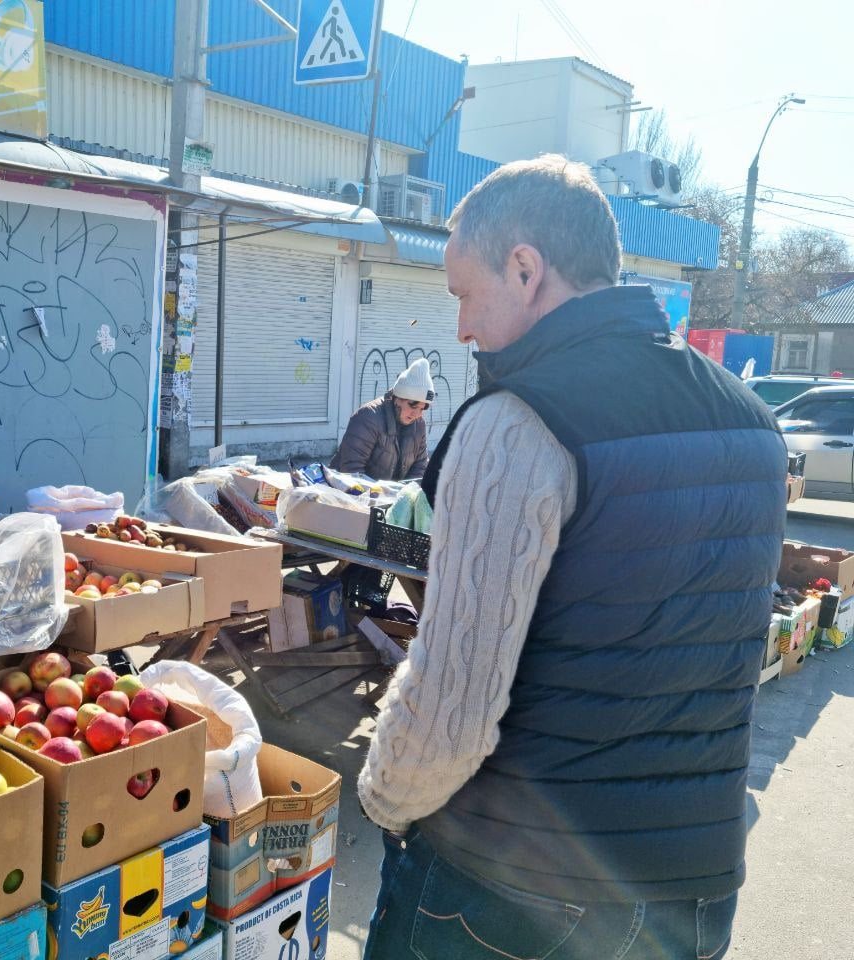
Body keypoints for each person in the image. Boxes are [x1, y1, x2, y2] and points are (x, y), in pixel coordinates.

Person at [359, 156, 786, 959]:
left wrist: (385, 799)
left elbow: (452, 709)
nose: (461, 329)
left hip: (510, 891)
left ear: (525, 268)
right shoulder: (753, 422)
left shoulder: (517, 423)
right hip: (692, 892)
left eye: (462, 294)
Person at [332, 359, 434, 480]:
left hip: (390, 496)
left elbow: (420, 466)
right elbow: (351, 469)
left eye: (422, 409)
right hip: (345, 493)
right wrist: (377, 496)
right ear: (397, 398)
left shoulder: (419, 424)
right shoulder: (368, 417)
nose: (417, 414)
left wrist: (407, 494)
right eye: (413, 405)